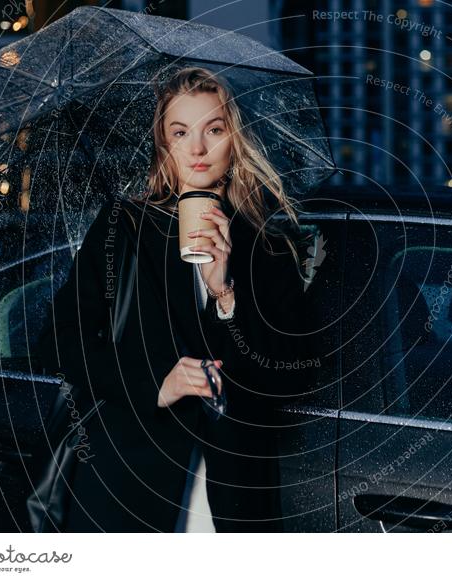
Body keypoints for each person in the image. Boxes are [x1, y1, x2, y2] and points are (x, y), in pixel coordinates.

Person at [35, 66, 312, 532]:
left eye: (214, 129)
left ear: (235, 138)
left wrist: (225, 292)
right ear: (165, 144)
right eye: (180, 132)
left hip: (235, 487)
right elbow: (60, 341)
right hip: (132, 482)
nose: (198, 149)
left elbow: (291, 370)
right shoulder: (124, 228)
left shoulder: (268, 245)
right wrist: (155, 385)